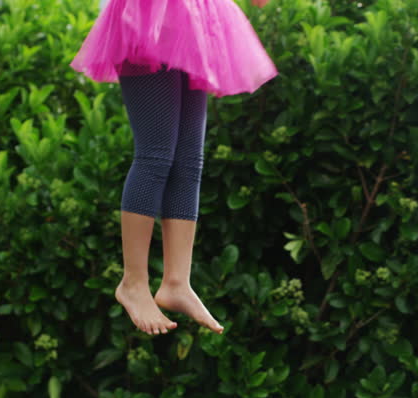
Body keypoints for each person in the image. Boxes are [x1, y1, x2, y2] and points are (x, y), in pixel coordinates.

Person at [70, 0, 277, 336]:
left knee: (188, 159)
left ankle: (177, 281)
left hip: (194, 14)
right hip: (148, 13)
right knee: (155, 155)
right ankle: (133, 282)